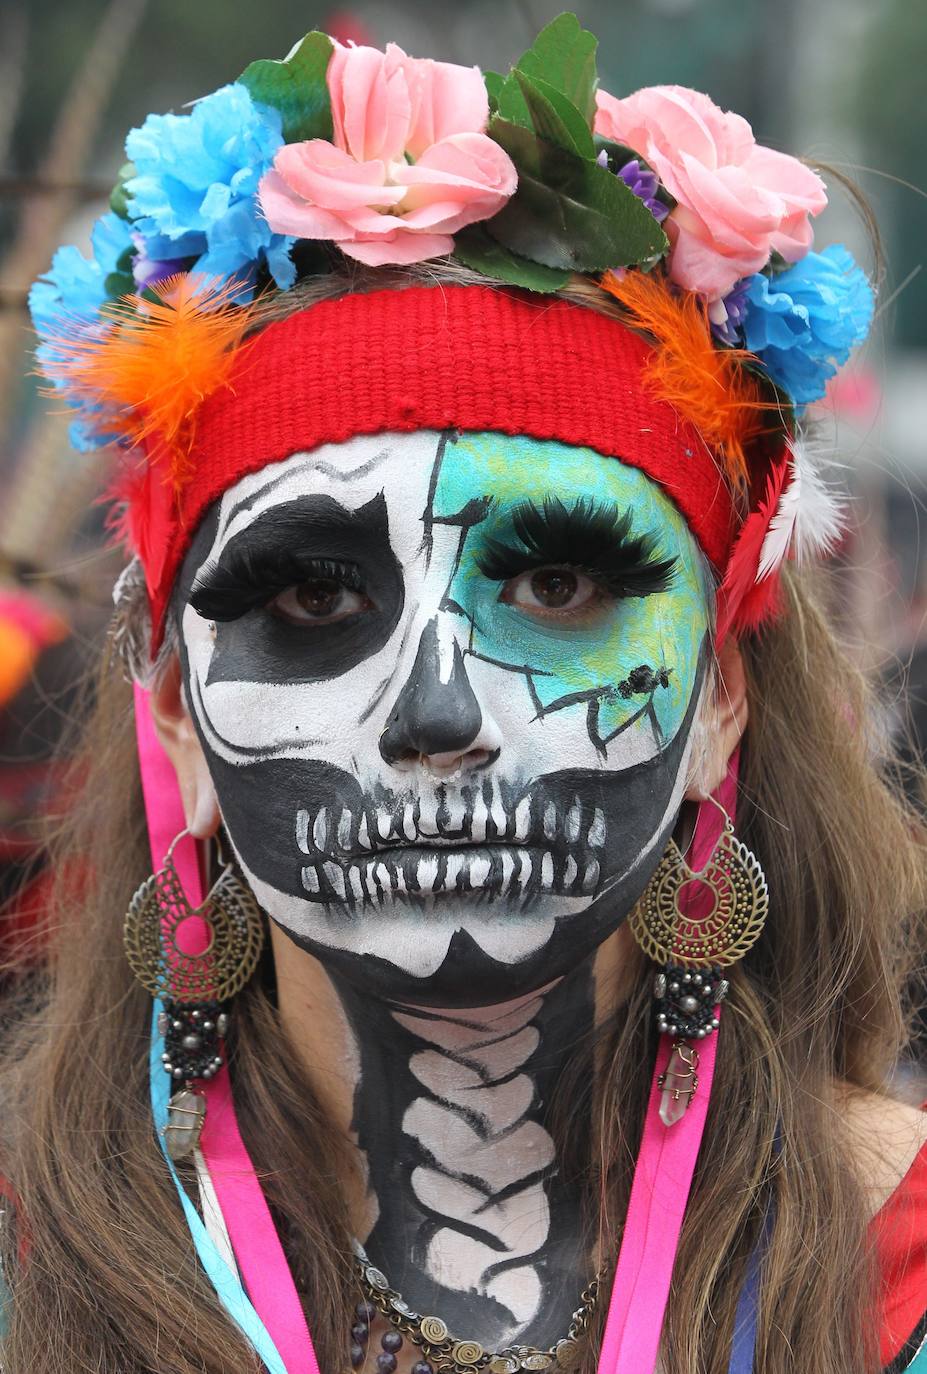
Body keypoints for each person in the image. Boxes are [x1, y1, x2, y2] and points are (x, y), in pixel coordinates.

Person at [2, 15, 925, 1374]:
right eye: (310, 599)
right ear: (181, 716)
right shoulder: (32, 1263)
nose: (438, 713)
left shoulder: (895, 1268)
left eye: (558, 586)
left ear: (719, 695)